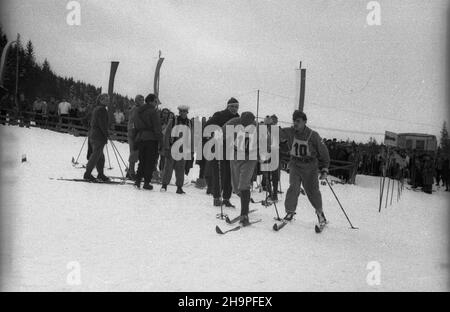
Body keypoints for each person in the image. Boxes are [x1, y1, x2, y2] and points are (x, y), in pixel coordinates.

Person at [280, 110, 330, 227]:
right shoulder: (291, 132)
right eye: (294, 121)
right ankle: (290, 212)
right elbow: (277, 133)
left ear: (304, 122)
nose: (295, 124)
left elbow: (324, 153)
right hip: (295, 165)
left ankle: (320, 213)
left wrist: (325, 168)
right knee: (294, 188)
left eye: (298, 121)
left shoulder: (313, 135)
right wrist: (269, 125)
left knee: (313, 191)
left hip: (310, 167)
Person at [204, 97, 240, 208]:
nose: (235, 109)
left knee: (229, 173)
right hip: (219, 146)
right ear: (228, 106)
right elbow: (207, 126)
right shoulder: (219, 115)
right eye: (233, 106)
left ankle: (226, 198)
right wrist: (216, 135)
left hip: (231, 148)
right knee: (218, 173)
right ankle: (216, 197)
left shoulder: (238, 118)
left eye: (236, 107)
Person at [225, 111, 259, 225]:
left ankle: (244, 214)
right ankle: (245, 200)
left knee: (243, 184)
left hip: (250, 157)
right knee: (235, 187)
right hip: (236, 155)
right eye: (243, 123)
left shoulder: (257, 127)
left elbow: (267, 141)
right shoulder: (234, 122)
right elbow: (221, 131)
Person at [133, 94, 163, 190]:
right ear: (150, 101)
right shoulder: (153, 112)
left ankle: (138, 180)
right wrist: (161, 141)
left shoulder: (138, 111)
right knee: (150, 162)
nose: (156, 103)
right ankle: (146, 182)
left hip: (141, 138)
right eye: (155, 101)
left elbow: (136, 125)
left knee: (142, 161)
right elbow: (157, 128)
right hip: (151, 138)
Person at [160, 105, 191, 194]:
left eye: (184, 111)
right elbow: (167, 134)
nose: (183, 113)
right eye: (181, 111)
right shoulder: (173, 121)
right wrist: (166, 147)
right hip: (172, 147)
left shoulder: (189, 122)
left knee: (180, 169)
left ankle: (179, 187)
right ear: (179, 112)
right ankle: (164, 185)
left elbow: (191, 137)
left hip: (183, 149)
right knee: (168, 167)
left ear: (187, 112)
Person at [83, 94, 110, 182]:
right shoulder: (101, 109)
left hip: (94, 134)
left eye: (108, 99)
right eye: (106, 100)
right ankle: (87, 174)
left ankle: (100, 174)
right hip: (98, 135)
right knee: (96, 155)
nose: (108, 101)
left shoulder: (97, 109)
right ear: (101, 100)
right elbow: (102, 123)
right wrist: (106, 133)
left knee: (100, 156)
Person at [127, 95, 144, 179]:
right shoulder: (136, 109)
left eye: (143, 100)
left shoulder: (136, 109)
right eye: (141, 100)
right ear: (136, 101)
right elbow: (134, 121)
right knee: (134, 152)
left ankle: (130, 171)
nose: (143, 101)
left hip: (134, 132)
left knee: (134, 152)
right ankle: (131, 172)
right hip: (134, 133)